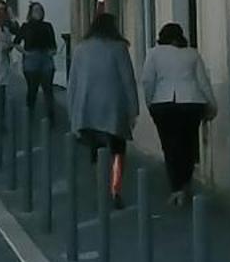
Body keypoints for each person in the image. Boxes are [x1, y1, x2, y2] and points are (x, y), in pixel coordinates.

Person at [67, 11, 140, 205]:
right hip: (114, 106)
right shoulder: (119, 48)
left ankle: (100, 184)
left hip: (87, 107)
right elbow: (128, 80)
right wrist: (134, 108)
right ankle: (115, 188)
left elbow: (73, 81)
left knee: (96, 149)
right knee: (118, 149)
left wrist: (72, 111)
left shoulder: (81, 48)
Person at [141, 23, 217, 205]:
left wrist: (149, 103)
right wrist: (212, 104)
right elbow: (203, 82)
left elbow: (147, 81)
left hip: (164, 104)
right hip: (191, 103)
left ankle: (176, 188)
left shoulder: (154, 54)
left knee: (170, 146)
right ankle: (185, 184)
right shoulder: (192, 54)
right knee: (189, 144)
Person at [17, 1, 59, 122]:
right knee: (32, 89)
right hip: (31, 58)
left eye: (40, 10)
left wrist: (52, 51)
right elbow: (16, 42)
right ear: (31, 13)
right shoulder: (26, 26)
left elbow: (53, 44)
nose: (38, 13)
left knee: (48, 89)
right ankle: (29, 114)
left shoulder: (48, 26)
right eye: (36, 10)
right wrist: (25, 53)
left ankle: (51, 118)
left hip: (46, 58)